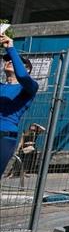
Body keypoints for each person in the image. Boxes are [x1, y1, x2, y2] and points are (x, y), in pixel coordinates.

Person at [0, 34, 39, 178]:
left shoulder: (29, 88)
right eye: (7, 60)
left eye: (13, 60)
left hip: (4, 137)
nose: (9, 61)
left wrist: (10, 48)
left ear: (27, 69)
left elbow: (22, 76)